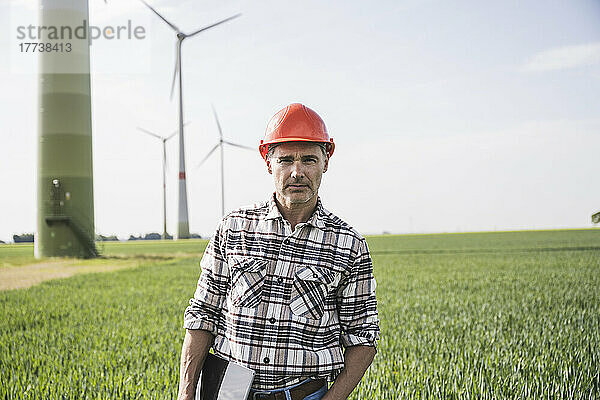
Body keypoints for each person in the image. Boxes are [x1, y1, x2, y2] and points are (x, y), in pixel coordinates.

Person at [178, 103, 380, 400]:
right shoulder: (233, 229)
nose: (297, 172)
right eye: (286, 160)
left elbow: (363, 337)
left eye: (308, 160)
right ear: (268, 161)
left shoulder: (348, 244)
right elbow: (202, 316)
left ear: (326, 161)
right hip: (226, 392)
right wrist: (185, 394)